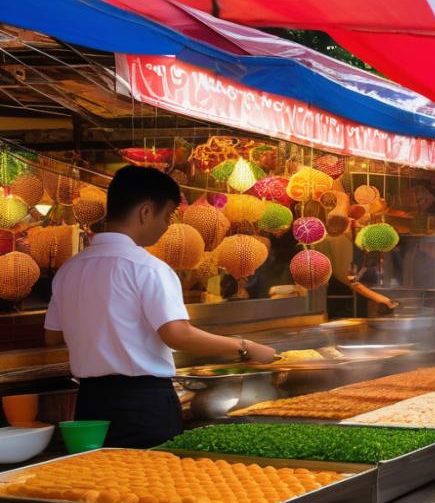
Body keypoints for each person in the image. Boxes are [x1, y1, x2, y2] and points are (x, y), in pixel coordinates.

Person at [43, 166, 276, 448]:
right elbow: (177, 334)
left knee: (98, 483)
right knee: (150, 483)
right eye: (166, 217)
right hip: (142, 404)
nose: (167, 227)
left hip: (90, 404)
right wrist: (245, 347)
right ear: (146, 211)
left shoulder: (71, 269)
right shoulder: (149, 267)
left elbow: (53, 336)